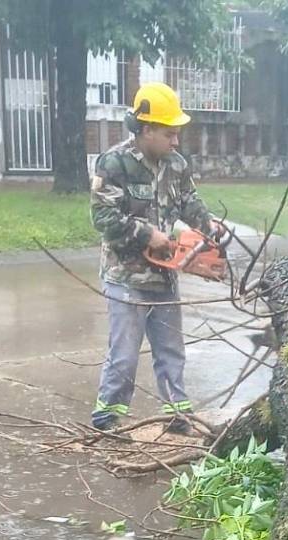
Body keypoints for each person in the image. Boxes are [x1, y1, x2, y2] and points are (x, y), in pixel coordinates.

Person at [90, 82, 223, 436]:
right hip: (126, 279)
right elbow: (103, 219)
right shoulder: (114, 163)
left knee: (171, 351)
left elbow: (190, 202)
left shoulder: (176, 165)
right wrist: (149, 234)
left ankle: (179, 417)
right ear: (146, 129)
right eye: (169, 133)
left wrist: (208, 225)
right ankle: (107, 417)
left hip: (164, 277)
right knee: (125, 356)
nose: (175, 141)